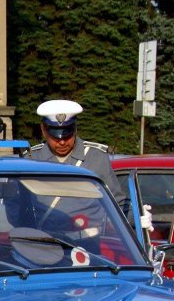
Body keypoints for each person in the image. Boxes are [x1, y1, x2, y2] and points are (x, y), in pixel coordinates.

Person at [30, 99, 152, 233]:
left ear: (75, 128)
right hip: (42, 243)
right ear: (43, 130)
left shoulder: (96, 158)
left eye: (67, 134)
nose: (62, 142)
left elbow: (116, 203)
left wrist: (137, 217)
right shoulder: (32, 159)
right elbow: (17, 205)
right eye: (56, 137)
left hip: (87, 244)